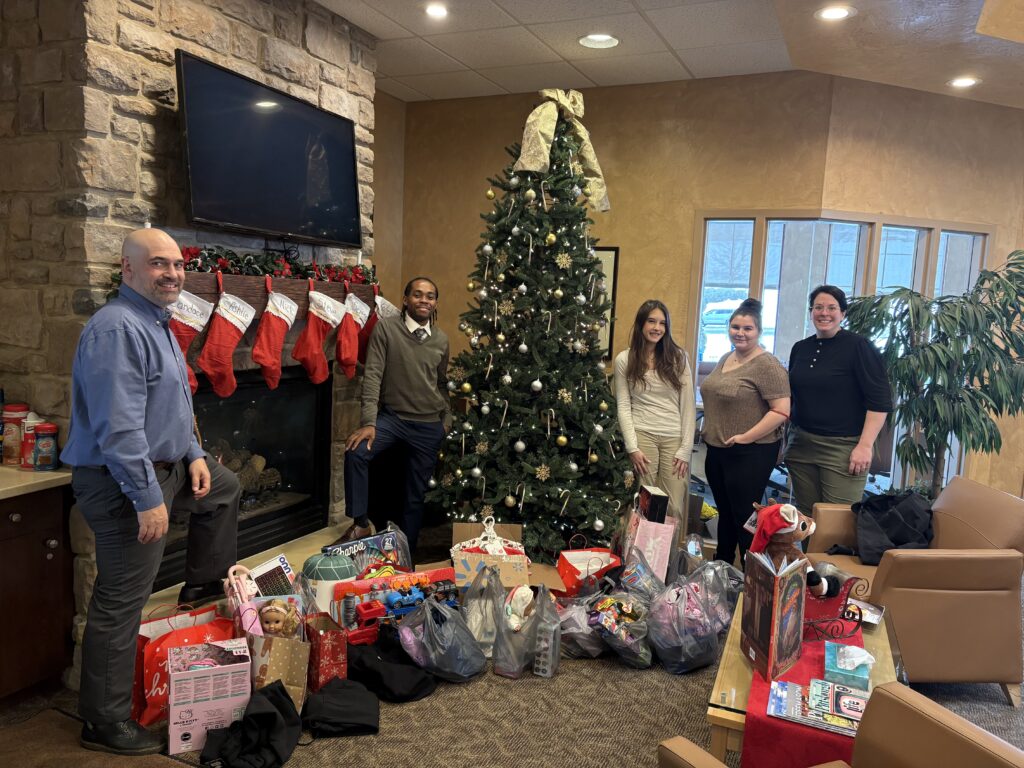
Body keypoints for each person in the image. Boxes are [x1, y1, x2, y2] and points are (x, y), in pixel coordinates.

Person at [61, 227, 241, 756]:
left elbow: (171, 406)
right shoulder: (117, 328)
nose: (172, 273)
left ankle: (200, 590)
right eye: (159, 263)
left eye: (178, 264)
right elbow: (119, 430)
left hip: (168, 466)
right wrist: (147, 500)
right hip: (121, 482)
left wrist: (195, 453)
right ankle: (103, 722)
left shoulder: (158, 320)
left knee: (225, 488)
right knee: (121, 600)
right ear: (128, 269)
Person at [333, 277, 449, 551]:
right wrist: (369, 423)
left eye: (430, 296)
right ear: (406, 300)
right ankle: (361, 523)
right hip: (393, 420)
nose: (424, 300)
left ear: (435, 303)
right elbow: (373, 375)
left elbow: (441, 383)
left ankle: (405, 554)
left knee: (414, 496)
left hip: (428, 424)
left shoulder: (441, 339)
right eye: (418, 294)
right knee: (356, 452)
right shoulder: (387, 329)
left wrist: (447, 421)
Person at [785, 285, 893, 517]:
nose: (824, 313)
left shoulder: (859, 347)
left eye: (832, 308)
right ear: (811, 312)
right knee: (806, 519)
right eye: (818, 307)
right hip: (801, 445)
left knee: (838, 519)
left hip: (843, 449)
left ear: (843, 313)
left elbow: (880, 401)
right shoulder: (800, 348)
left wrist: (865, 446)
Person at [699, 298, 790, 567]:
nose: (740, 333)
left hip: (750, 452)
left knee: (745, 518)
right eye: (735, 327)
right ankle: (723, 568)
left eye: (748, 328)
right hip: (718, 450)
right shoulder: (727, 358)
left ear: (759, 331)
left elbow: (781, 410)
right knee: (725, 513)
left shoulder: (767, 365)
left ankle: (754, 574)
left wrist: (745, 437)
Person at [614, 300, 696, 532]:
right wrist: (632, 447)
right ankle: (640, 555)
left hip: (674, 438)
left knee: (673, 507)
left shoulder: (679, 358)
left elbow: (688, 406)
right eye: (651, 321)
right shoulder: (624, 359)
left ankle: (668, 556)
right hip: (642, 436)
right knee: (645, 506)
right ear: (641, 324)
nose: (657, 328)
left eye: (662, 323)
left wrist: (685, 449)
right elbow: (624, 406)